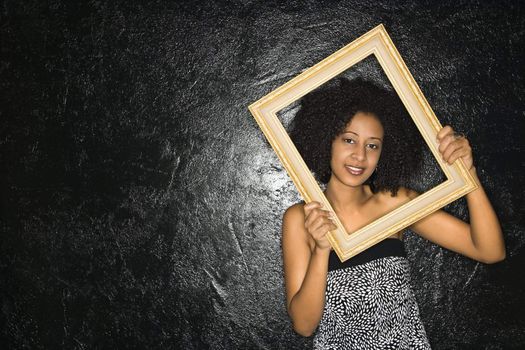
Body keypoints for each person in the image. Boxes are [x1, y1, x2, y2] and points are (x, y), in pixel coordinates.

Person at [281, 78, 505, 349]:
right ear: (327, 141)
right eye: (349, 140)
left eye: (372, 145)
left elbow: (490, 251)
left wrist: (468, 175)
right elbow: (303, 326)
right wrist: (321, 250)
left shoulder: (395, 204)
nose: (360, 156)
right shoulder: (301, 219)